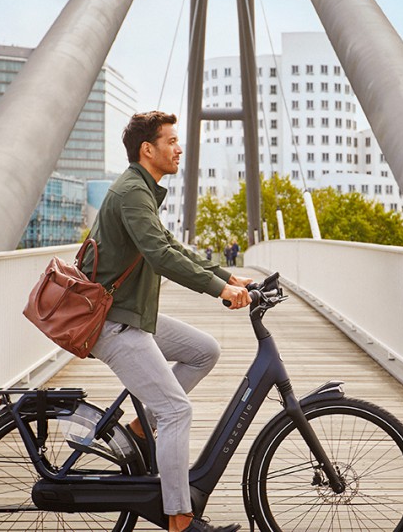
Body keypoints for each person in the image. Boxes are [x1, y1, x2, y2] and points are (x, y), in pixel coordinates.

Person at [85, 111, 250, 532]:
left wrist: (227, 275)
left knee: (204, 350)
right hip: (115, 322)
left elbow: (169, 245)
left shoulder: (142, 189)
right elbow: (161, 257)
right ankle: (179, 519)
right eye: (172, 141)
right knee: (176, 410)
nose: (179, 149)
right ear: (148, 149)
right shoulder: (132, 193)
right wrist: (219, 292)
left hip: (133, 314)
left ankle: (141, 428)